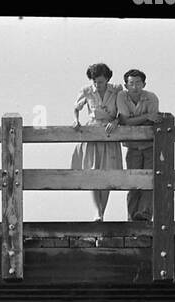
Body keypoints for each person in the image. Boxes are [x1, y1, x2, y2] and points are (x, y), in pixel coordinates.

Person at [72, 63, 123, 221]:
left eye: (100, 81)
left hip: (110, 133)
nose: (97, 84)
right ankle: (98, 212)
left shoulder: (116, 90)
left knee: (107, 173)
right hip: (93, 132)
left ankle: (103, 211)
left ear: (107, 79)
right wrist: (76, 120)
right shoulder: (87, 91)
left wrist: (115, 122)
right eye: (94, 81)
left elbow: (123, 111)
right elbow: (76, 108)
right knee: (93, 172)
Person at [116, 69, 161, 222]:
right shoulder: (121, 96)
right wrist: (146, 116)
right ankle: (132, 217)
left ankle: (145, 214)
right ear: (126, 85)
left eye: (138, 83)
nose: (134, 86)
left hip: (149, 145)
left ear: (144, 84)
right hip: (132, 146)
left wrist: (139, 119)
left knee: (149, 181)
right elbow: (125, 120)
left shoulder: (151, 97)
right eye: (131, 83)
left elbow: (153, 120)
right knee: (133, 182)